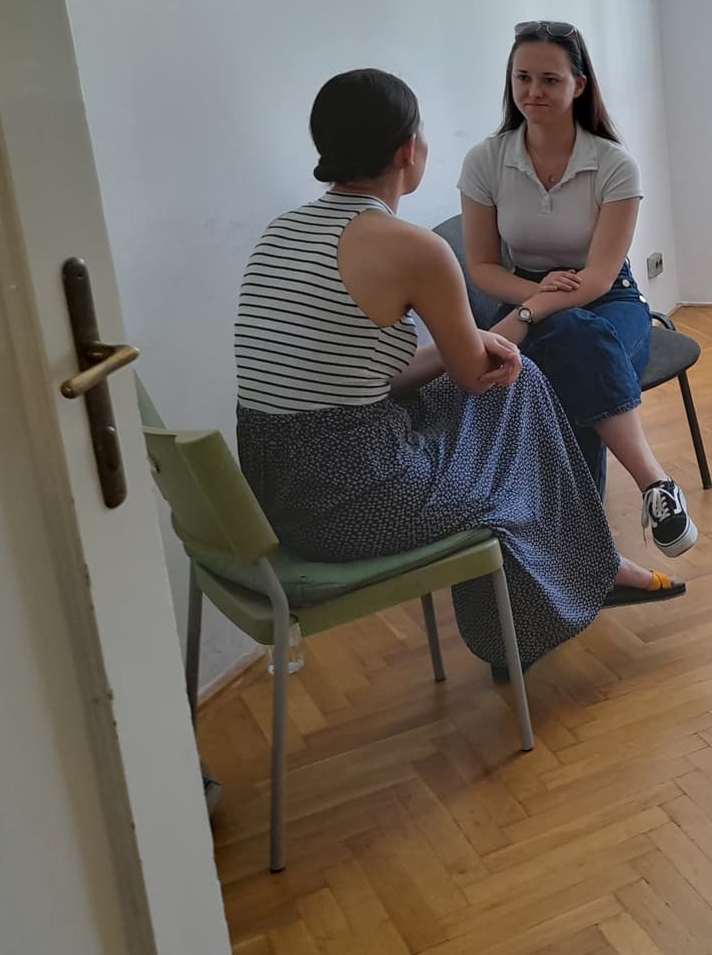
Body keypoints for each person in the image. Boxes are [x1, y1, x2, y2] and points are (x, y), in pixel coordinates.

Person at [235, 68, 683, 680]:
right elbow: (479, 378)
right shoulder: (409, 246)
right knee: (519, 391)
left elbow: (382, 380)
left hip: (275, 491)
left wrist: (485, 342)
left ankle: (579, 577)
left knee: (511, 397)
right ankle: (575, 583)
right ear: (407, 151)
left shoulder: (281, 231)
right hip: (359, 499)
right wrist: (512, 330)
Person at [460, 21, 699, 556]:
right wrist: (531, 299)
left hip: (610, 301)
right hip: (520, 295)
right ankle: (654, 486)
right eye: (523, 78)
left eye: (549, 79)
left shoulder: (613, 165)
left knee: (576, 341)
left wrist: (530, 314)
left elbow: (594, 279)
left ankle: (580, 557)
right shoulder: (487, 160)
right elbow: (480, 265)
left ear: (579, 86)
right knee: (574, 364)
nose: (533, 92)